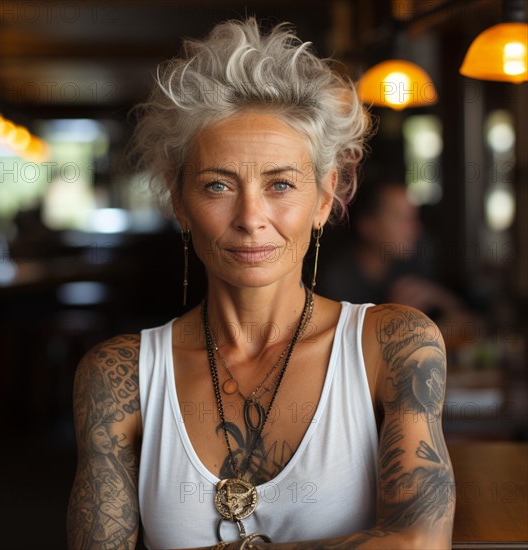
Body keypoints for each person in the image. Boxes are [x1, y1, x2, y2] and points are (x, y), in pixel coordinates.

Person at [67, 18, 455, 550]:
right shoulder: (117, 377)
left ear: (324, 198)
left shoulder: (395, 345)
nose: (252, 217)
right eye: (218, 185)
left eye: (280, 184)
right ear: (179, 202)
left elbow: (417, 543)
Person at [318, 180, 476, 349]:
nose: (415, 228)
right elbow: (341, 353)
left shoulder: (411, 264)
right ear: (368, 226)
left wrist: (435, 295)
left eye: (414, 218)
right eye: (402, 219)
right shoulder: (337, 282)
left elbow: (467, 325)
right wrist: (391, 316)